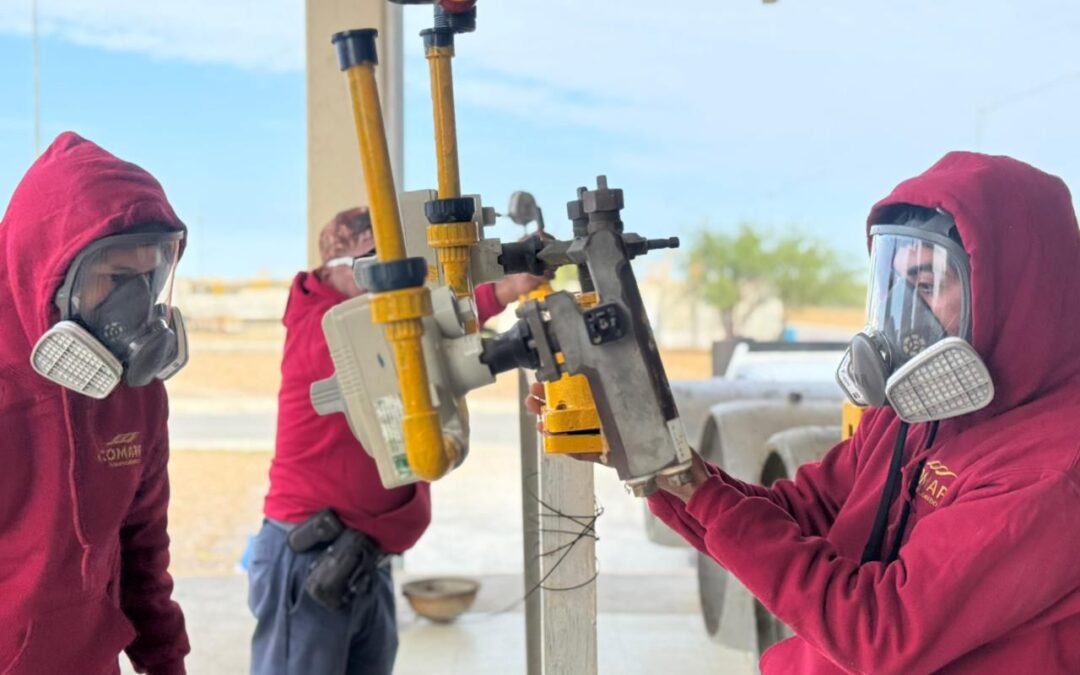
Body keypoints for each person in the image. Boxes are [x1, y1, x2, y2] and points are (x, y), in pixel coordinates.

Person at [529, 151, 1080, 673]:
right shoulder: (915, 415)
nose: (906, 320)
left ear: (1015, 294)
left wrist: (693, 486)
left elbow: (881, 632)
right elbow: (802, 515)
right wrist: (655, 459)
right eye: (895, 286)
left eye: (927, 286)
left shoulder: (1051, 475)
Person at [248, 207, 544, 674]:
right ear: (333, 269)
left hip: (363, 557)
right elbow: (407, 345)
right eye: (374, 267)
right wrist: (501, 293)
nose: (388, 282)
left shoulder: (360, 319)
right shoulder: (322, 328)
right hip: (312, 556)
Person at [0, 132, 191, 674]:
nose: (137, 303)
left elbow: (142, 552)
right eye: (117, 279)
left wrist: (166, 661)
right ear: (52, 274)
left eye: (150, 278)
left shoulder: (139, 397)